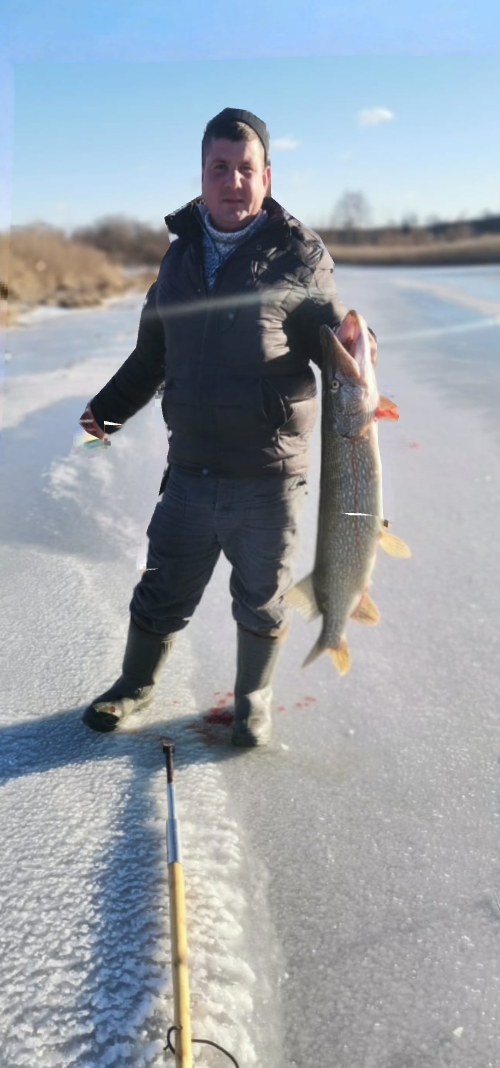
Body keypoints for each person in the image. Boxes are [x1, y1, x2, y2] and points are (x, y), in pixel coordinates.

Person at [79, 106, 376, 746]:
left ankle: (253, 702)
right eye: (221, 168)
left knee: (263, 598)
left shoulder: (299, 255)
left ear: (266, 176)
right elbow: (152, 356)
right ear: (203, 175)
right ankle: (133, 685)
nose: (233, 181)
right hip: (190, 469)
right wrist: (105, 411)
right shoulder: (178, 260)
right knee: (162, 586)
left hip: (269, 478)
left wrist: (358, 341)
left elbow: (335, 339)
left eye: (246, 169)